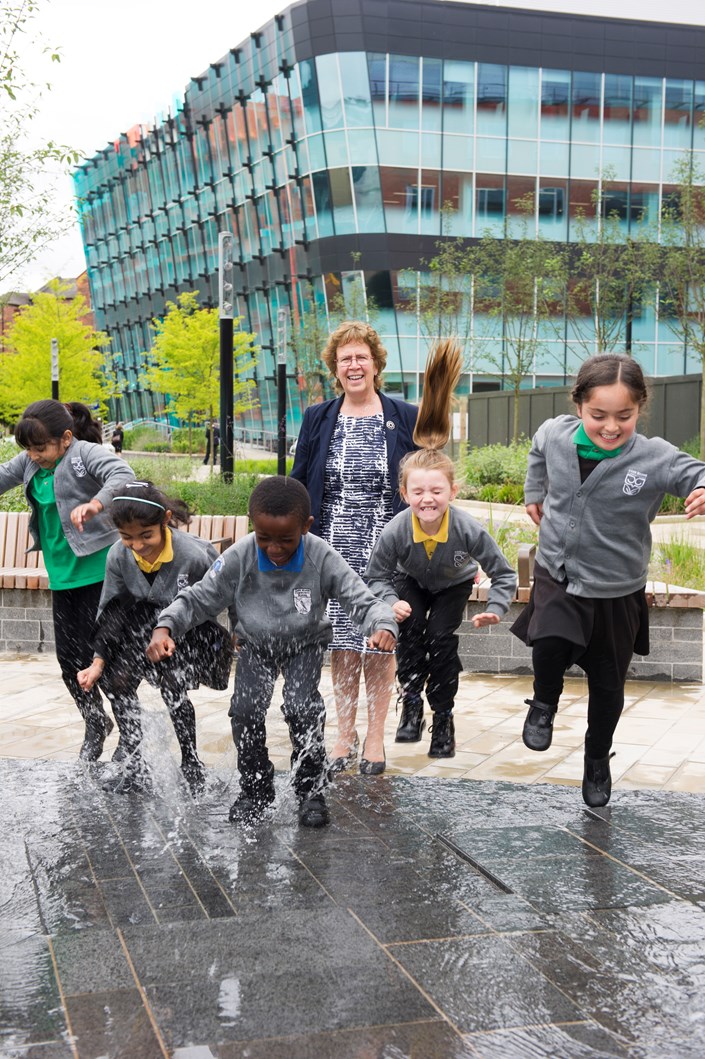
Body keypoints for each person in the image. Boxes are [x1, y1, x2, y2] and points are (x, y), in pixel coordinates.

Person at [146, 476, 398, 828]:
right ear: (253, 526)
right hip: (256, 646)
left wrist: (382, 625)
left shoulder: (320, 555)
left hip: (304, 645)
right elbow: (202, 596)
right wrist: (167, 626)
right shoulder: (242, 553)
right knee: (246, 711)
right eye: (265, 538)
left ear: (306, 527)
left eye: (286, 539)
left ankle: (310, 790)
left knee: (301, 708)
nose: (274, 548)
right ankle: (255, 789)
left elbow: (359, 598)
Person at [511, 353, 705, 807]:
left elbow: (694, 471)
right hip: (558, 569)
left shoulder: (653, 456)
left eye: (625, 415)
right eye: (599, 415)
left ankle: (597, 758)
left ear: (640, 409)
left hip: (616, 589)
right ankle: (544, 704)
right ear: (579, 406)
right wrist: (533, 490)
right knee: (550, 640)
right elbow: (537, 448)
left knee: (607, 685)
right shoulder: (556, 435)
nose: (611, 426)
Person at [366, 340, 517, 759]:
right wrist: (389, 601)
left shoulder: (466, 529)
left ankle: (444, 717)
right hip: (411, 581)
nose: (427, 499)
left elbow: (503, 573)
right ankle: (411, 703)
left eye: (437, 490)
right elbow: (376, 574)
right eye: (418, 491)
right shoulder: (397, 528)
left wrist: (499, 606)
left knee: (440, 637)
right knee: (411, 628)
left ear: (453, 490)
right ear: (404, 493)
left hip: (452, 585)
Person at [290, 320, 417, 775]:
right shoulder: (318, 417)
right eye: (345, 359)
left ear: (377, 363)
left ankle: (377, 736)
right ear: (335, 368)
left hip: (387, 544)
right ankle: (344, 732)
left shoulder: (406, 415)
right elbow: (299, 482)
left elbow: (424, 476)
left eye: (362, 357)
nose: (354, 365)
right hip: (333, 545)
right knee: (344, 644)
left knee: (380, 640)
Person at [77, 481, 233, 795]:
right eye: (127, 537)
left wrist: (239, 634)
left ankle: (191, 763)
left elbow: (225, 595)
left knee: (173, 684)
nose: (136, 544)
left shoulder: (195, 555)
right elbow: (113, 612)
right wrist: (97, 662)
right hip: (138, 626)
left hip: (188, 629)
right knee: (116, 683)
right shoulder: (118, 556)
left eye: (145, 535)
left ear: (165, 520)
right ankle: (134, 761)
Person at [0, 399, 136, 760]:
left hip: (99, 574)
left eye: (40, 448)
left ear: (64, 438)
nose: (33, 455)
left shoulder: (83, 454)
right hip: (62, 576)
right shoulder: (31, 464)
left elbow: (123, 476)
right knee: (69, 662)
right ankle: (95, 723)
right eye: (28, 449)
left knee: (106, 660)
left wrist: (96, 504)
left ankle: (130, 735)